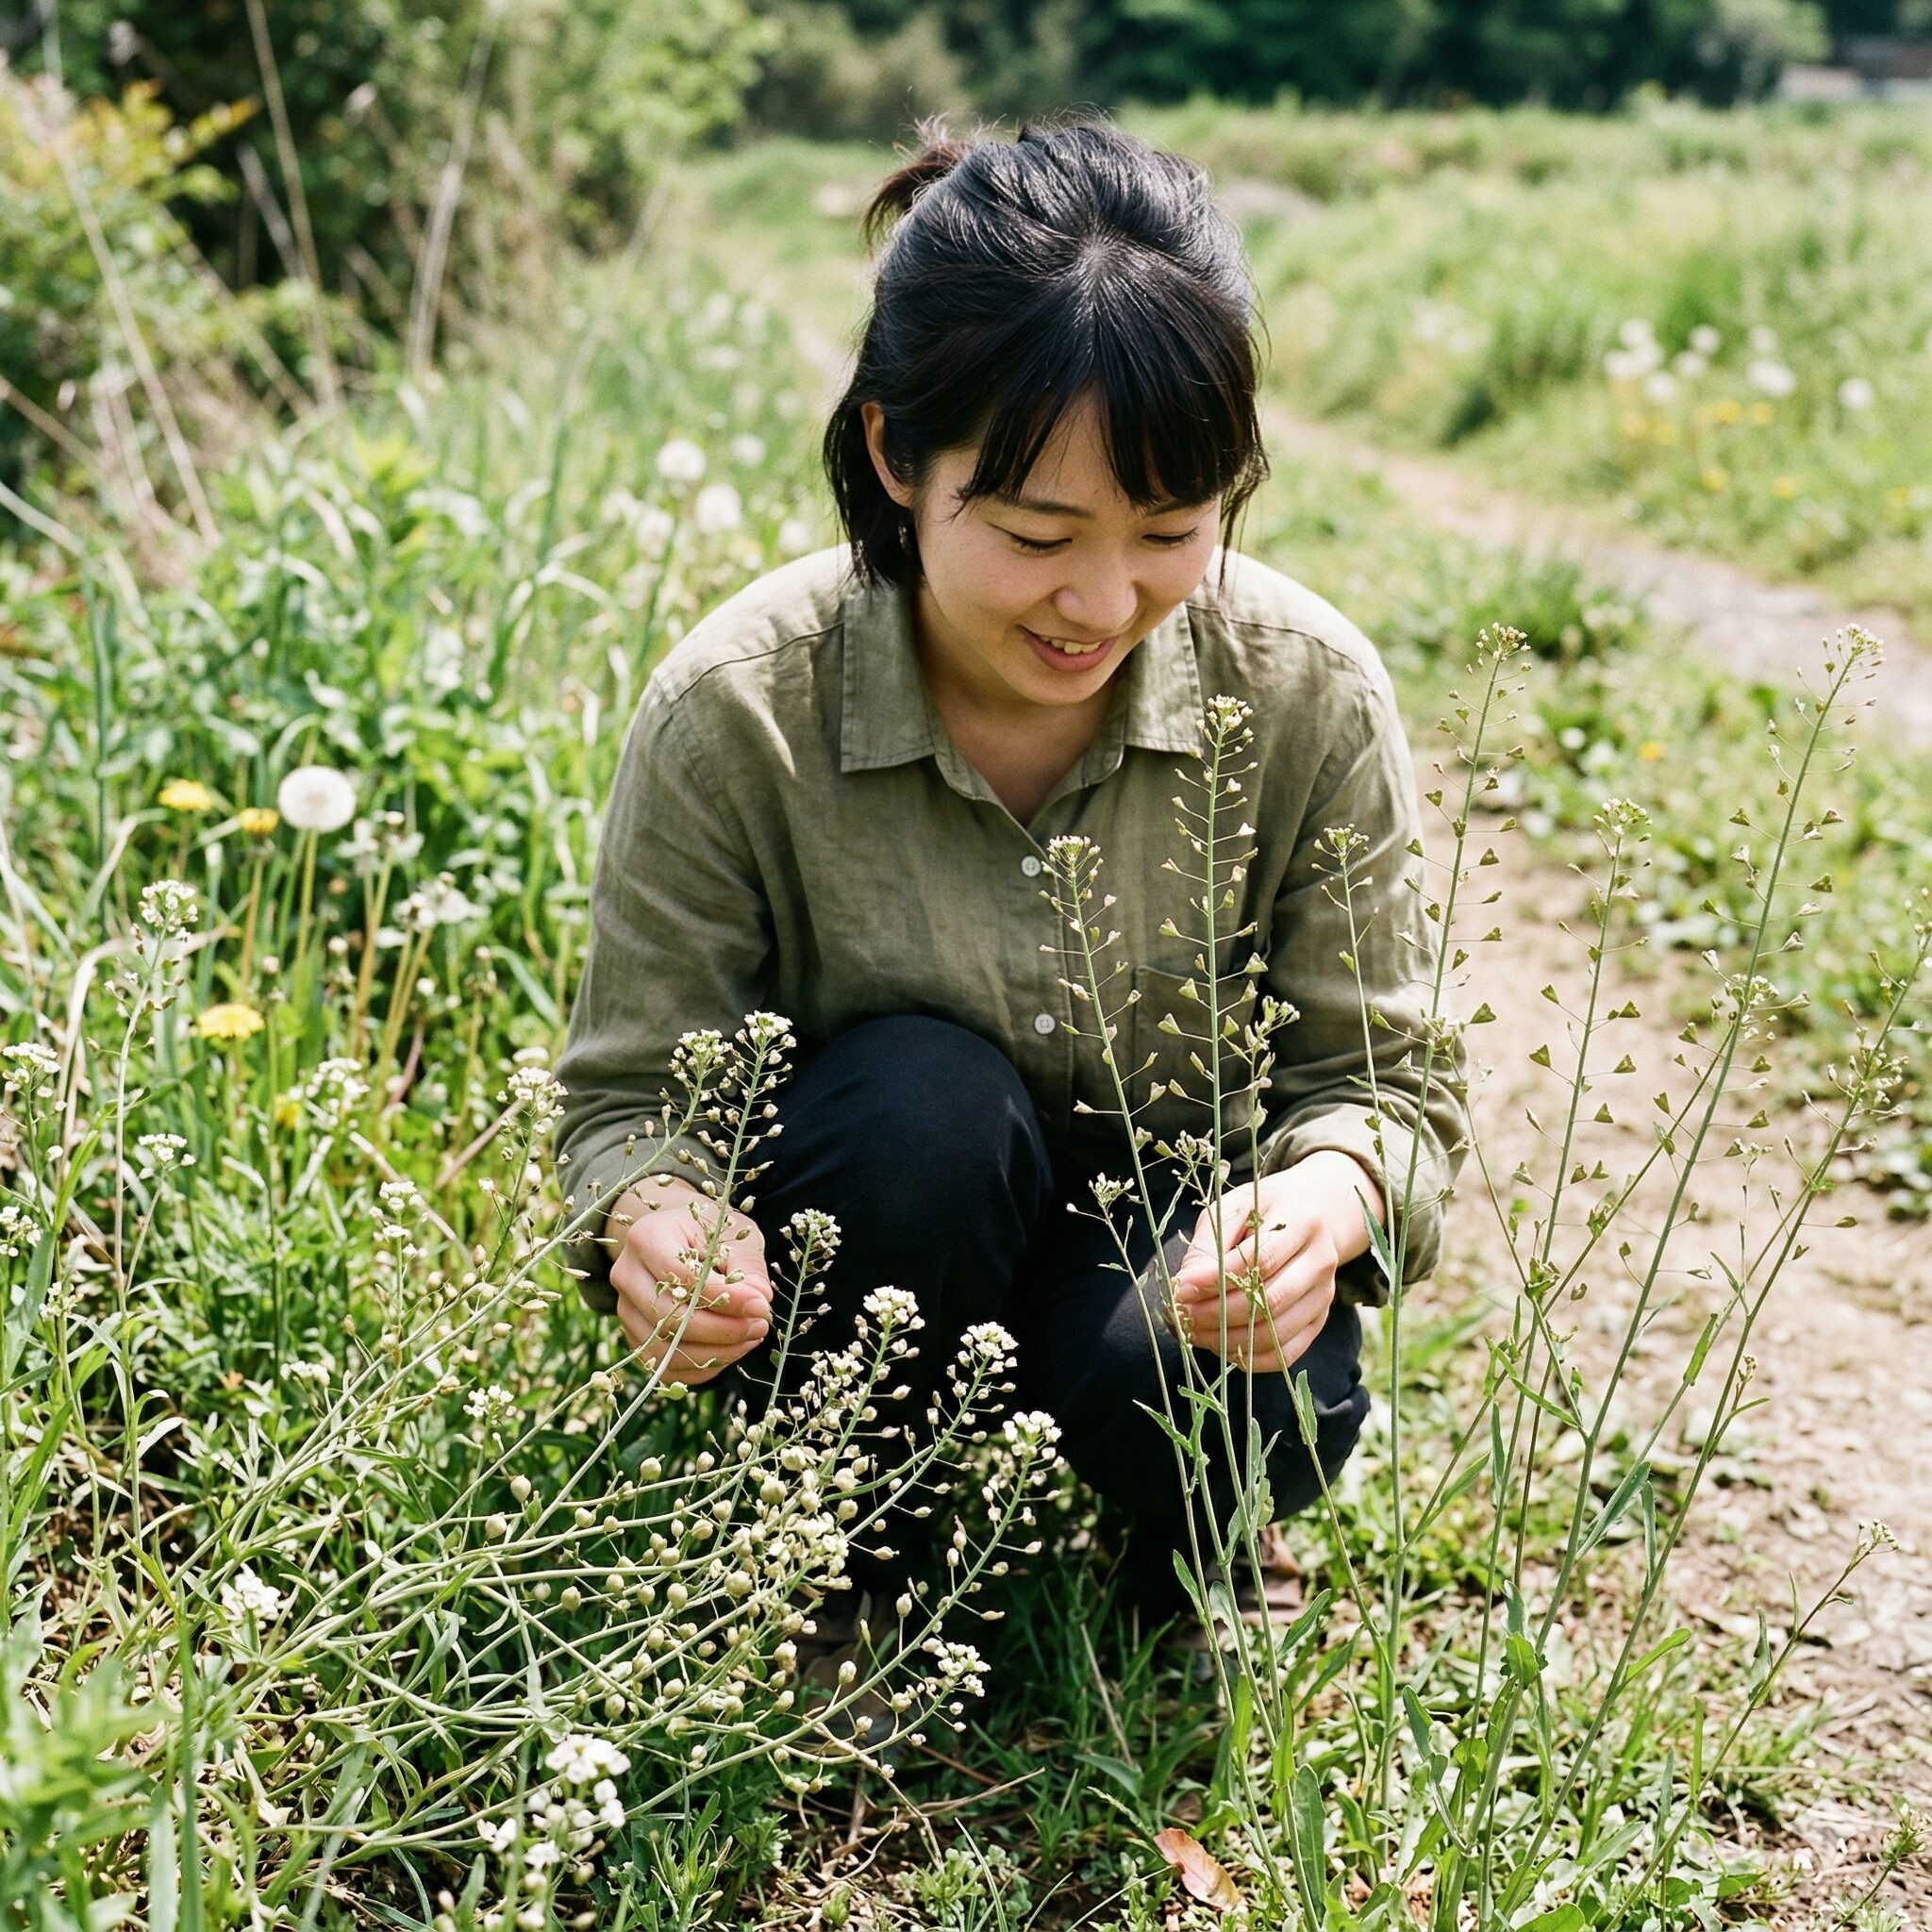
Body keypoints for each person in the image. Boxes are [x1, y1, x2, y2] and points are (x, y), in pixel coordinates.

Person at [554, 113, 1471, 1685]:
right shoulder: (735, 709)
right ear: (896, 453)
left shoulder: (1308, 693)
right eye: (1039, 535)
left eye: (1171, 534)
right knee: (921, 1101)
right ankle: (845, 1551)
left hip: (1163, 1257)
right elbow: (634, 1092)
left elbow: (1385, 1088)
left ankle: (1184, 1550)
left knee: (1231, 1408)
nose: (1101, 603)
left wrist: (1324, 1206)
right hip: (881, 1248)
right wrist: (659, 1217)